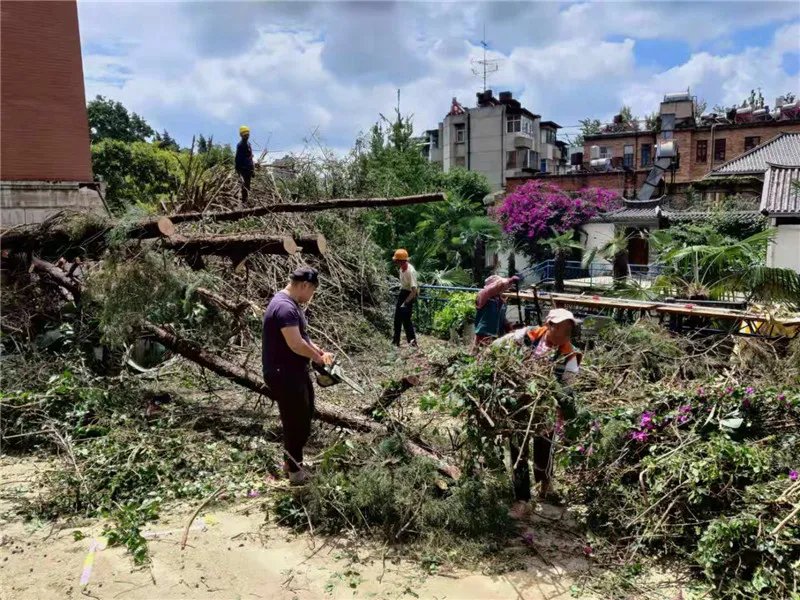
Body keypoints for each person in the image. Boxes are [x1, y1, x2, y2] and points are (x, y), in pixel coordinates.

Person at [498, 308, 582, 502]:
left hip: (545, 407)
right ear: (549, 326)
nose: (568, 334)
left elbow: (569, 387)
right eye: (564, 329)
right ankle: (521, 496)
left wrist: (562, 409)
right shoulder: (528, 335)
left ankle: (545, 486)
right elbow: (501, 344)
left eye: (570, 330)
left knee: (545, 446)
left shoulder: (569, 354)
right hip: (519, 402)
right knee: (518, 447)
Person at [262, 266, 333, 484]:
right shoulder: (284, 307)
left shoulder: (293, 306)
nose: (311, 297)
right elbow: (295, 344)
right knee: (294, 422)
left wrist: (319, 351)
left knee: (304, 416)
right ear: (304, 285)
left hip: (295, 371)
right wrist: (316, 358)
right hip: (283, 373)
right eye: (312, 291)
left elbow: (303, 337)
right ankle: (295, 474)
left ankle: (290, 462)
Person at [474, 274, 519, 348]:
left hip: (496, 333)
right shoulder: (483, 296)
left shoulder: (499, 299)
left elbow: (501, 316)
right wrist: (510, 280)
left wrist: (509, 327)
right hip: (484, 332)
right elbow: (493, 288)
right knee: (481, 350)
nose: (502, 288)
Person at [392, 249, 418, 348]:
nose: (396, 263)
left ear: (401, 261)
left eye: (397, 261)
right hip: (403, 292)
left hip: (410, 294)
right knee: (397, 319)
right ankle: (395, 341)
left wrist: (406, 302)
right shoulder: (401, 268)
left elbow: (414, 290)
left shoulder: (410, 271)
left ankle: (413, 342)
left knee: (406, 320)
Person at [236, 125, 255, 204]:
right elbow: (237, 159)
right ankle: (244, 202)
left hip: (249, 168)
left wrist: (253, 170)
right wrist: (238, 171)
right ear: (241, 135)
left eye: (248, 134)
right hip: (243, 169)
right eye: (245, 135)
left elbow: (250, 157)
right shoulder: (240, 145)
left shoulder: (249, 144)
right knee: (244, 186)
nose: (247, 136)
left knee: (248, 186)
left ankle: (246, 201)